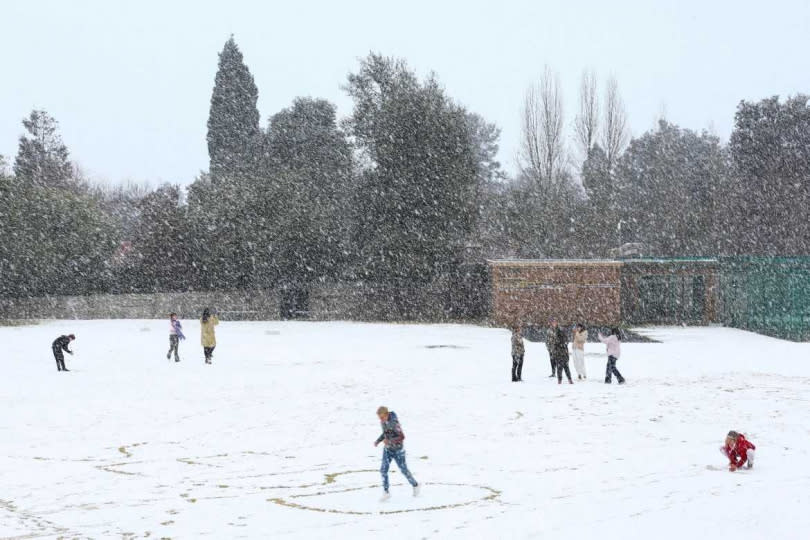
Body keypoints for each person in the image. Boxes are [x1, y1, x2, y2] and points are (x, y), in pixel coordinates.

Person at [374, 406, 419, 500]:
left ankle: (415, 485)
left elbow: (402, 436)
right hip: (387, 450)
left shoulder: (394, 422)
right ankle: (386, 492)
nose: (381, 420)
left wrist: (389, 441)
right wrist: (378, 441)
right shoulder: (383, 422)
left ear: (386, 415)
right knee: (383, 470)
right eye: (379, 418)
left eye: (382, 417)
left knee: (404, 470)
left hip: (398, 451)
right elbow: (385, 433)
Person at [548, 319, 573, 384]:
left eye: (555, 322)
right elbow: (551, 341)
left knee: (564, 367)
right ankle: (561, 380)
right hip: (559, 352)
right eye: (553, 322)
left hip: (562, 353)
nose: (554, 324)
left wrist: (559, 344)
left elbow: (564, 341)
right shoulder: (553, 331)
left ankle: (568, 379)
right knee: (561, 367)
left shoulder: (559, 331)